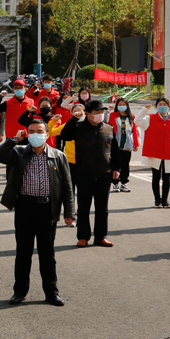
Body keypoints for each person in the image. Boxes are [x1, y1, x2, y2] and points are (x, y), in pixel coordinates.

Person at [0, 122, 74, 306]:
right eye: (31, 132)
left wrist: (70, 212)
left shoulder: (58, 156)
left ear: (47, 134)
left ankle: (51, 292)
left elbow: (67, 186)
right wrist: (14, 140)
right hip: (25, 207)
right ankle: (20, 291)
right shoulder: (18, 153)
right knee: (23, 252)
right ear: (26, 134)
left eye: (39, 131)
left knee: (47, 254)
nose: (35, 134)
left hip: (47, 209)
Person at [70, 100, 119, 248]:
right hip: (84, 173)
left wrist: (116, 168)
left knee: (102, 208)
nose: (100, 114)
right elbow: (65, 135)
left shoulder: (108, 128)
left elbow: (115, 151)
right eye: (97, 112)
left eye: (102, 112)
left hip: (104, 174)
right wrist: (74, 119)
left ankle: (100, 237)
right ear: (88, 114)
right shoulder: (78, 127)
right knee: (83, 208)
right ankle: (83, 237)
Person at [136, 98, 170, 209]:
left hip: (169, 153)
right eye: (160, 104)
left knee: (167, 178)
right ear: (156, 106)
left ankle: (165, 200)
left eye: (164, 104)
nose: (162, 106)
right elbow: (137, 121)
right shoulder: (150, 118)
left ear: (168, 107)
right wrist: (144, 110)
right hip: (154, 153)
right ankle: (157, 200)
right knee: (156, 177)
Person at [108, 99, 138, 193]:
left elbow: (135, 131)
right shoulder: (112, 115)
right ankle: (115, 183)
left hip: (127, 144)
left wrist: (136, 144)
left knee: (125, 165)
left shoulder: (132, 117)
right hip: (115, 144)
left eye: (123, 104)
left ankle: (124, 183)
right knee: (115, 164)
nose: (122, 106)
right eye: (120, 104)